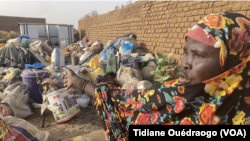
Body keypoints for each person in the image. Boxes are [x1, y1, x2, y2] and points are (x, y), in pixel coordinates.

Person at [62, 12, 250, 140]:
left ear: (234, 66)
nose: (185, 61)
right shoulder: (176, 95)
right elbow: (126, 102)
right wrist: (80, 82)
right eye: (186, 52)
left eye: (199, 55)